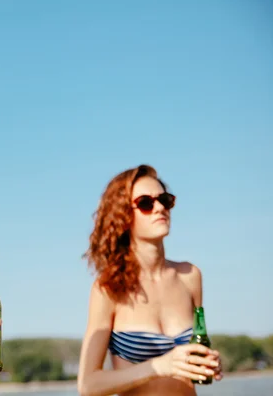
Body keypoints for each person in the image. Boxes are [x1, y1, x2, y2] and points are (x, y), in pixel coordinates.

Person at [77, 164, 223, 396]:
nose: (159, 208)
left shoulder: (190, 276)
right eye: (146, 203)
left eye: (165, 200)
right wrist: (159, 366)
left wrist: (207, 363)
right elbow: (88, 385)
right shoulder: (108, 288)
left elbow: (194, 355)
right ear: (123, 216)